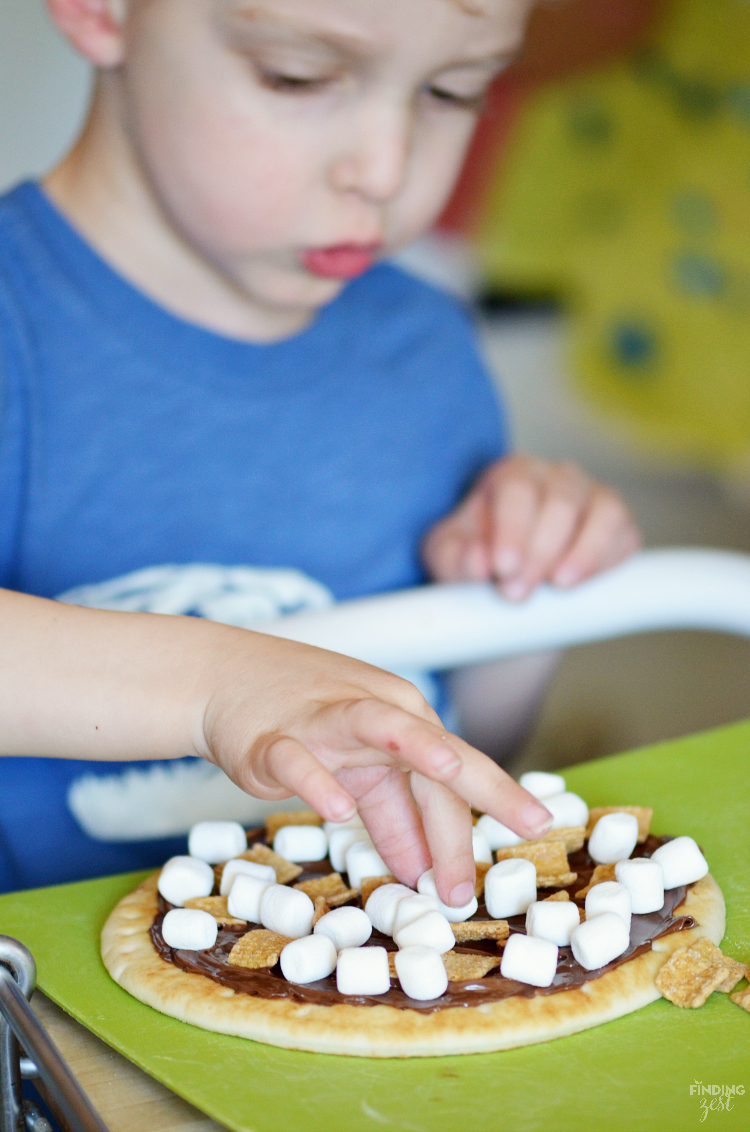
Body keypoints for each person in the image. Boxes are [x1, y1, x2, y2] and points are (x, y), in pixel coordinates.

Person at [0, 0, 640, 894]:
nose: (386, 169)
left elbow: (465, 754)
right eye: (295, 76)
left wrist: (520, 593)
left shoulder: (426, 347)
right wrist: (216, 687)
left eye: (453, 91)